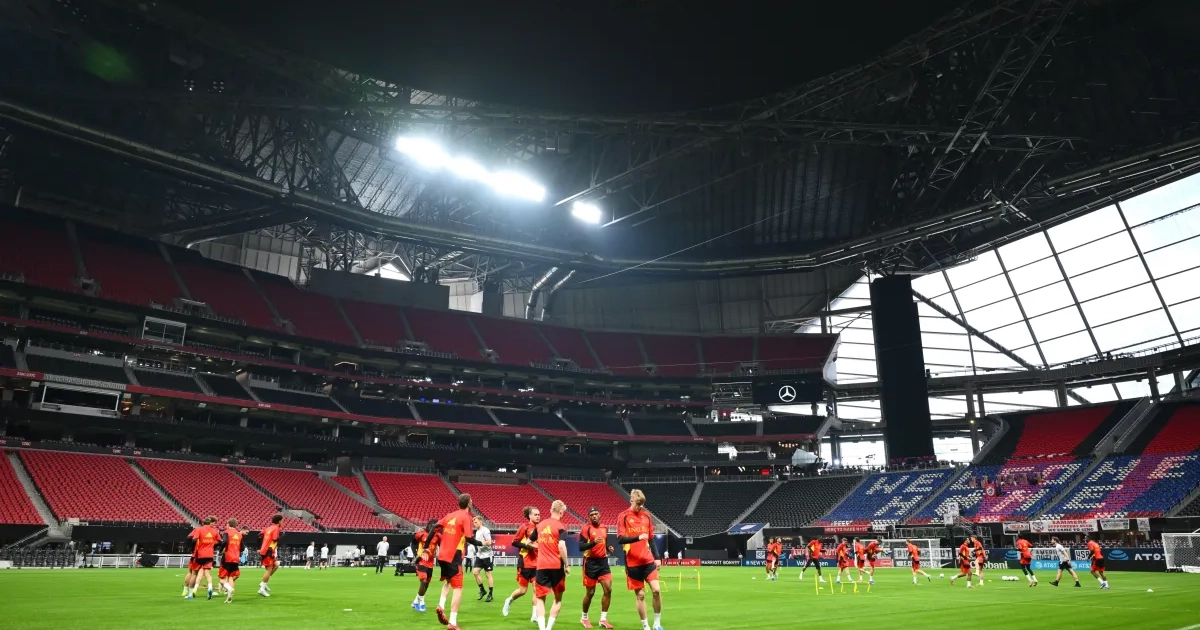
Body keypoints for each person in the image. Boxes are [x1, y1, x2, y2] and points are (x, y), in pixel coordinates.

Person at [432, 493, 480, 630]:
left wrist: (426, 547)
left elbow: (435, 527)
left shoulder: (450, 515)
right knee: (458, 588)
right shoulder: (466, 517)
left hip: (443, 555)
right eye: (471, 500)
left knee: (448, 582)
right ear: (469, 503)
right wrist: (482, 543)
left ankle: (441, 605)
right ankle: (452, 622)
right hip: (454, 555)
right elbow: (469, 538)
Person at [617, 489, 663, 630]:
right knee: (641, 595)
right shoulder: (623, 516)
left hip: (648, 561)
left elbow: (651, 538)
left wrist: (657, 557)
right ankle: (646, 626)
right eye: (638, 504)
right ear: (631, 500)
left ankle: (657, 624)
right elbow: (620, 539)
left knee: (656, 590)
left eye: (642, 504)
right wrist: (638, 537)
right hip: (632, 563)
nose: (640, 507)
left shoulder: (646, 516)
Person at [534, 500, 570, 630]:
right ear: (561, 512)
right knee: (558, 599)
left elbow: (528, 542)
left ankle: (542, 628)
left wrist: (542, 547)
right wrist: (567, 564)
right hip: (556, 566)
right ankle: (548, 628)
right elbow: (561, 546)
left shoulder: (540, 525)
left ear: (551, 510)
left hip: (541, 565)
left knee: (540, 599)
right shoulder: (561, 526)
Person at [504, 506, 542, 623]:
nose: (538, 516)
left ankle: (534, 615)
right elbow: (514, 542)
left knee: (536, 589)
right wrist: (528, 546)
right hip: (525, 562)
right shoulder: (524, 527)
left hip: (537, 563)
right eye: (535, 514)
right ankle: (509, 600)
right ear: (529, 516)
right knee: (523, 591)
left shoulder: (541, 528)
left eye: (539, 514)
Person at [578, 507, 614, 629]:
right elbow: (581, 547)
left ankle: (603, 619)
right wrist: (593, 542)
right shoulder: (586, 528)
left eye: (596, 514)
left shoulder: (604, 528)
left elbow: (604, 541)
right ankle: (584, 618)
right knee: (590, 592)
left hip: (603, 562)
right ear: (589, 517)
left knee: (608, 590)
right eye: (591, 514)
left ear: (600, 515)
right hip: (590, 563)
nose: (594, 516)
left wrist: (608, 547)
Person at [411, 519, 439, 612]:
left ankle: (415, 601)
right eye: (432, 526)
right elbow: (413, 543)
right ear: (428, 525)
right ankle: (422, 602)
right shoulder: (421, 534)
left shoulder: (437, 536)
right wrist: (416, 555)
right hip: (421, 561)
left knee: (426, 584)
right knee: (423, 580)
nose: (433, 528)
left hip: (430, 563)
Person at [190, 516, 221, 600]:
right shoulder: (215, 531)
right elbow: (219, 541)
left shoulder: (199, 529)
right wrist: (213, 545)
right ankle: (210, 588)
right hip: (209, 555)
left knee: (195, 573)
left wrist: (193, 548)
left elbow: (193, 539)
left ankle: (193, 591)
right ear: (210, 522)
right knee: (207, 574)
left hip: (199, 554)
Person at [217, 518, 244, 603]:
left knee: (222, 579)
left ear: (228, 524)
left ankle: (229, 589)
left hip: (227, 557)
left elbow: (224, 542)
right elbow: (242, 548)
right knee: (231, 577)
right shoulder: (239, 534)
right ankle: (230, 597)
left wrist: (221, 550)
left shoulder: (227, 532)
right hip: (235, 558)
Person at [258, 513, 284, 597]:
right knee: (269, 569)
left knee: (276, 565)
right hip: (269, 550)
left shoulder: (269, 528)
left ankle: (263, 583)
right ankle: (262, 588)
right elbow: (275, 539)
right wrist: (281, 537)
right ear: (279, 521)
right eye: (282, 521)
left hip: (266, 550)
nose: (283, 522)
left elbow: (259, 535)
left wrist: (262, 545)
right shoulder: (276, 528)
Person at [472, 516, 494, 602]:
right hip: (480, 555)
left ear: (480, 522)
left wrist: (481, 543)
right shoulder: (477, 531)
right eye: (474, 522)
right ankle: (482, 590)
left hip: (487, 555)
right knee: (475, 572)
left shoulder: (485, 530)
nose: (474, 524)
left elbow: (489, 542)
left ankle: (490, 594)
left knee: (488, 574)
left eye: (476, 522)